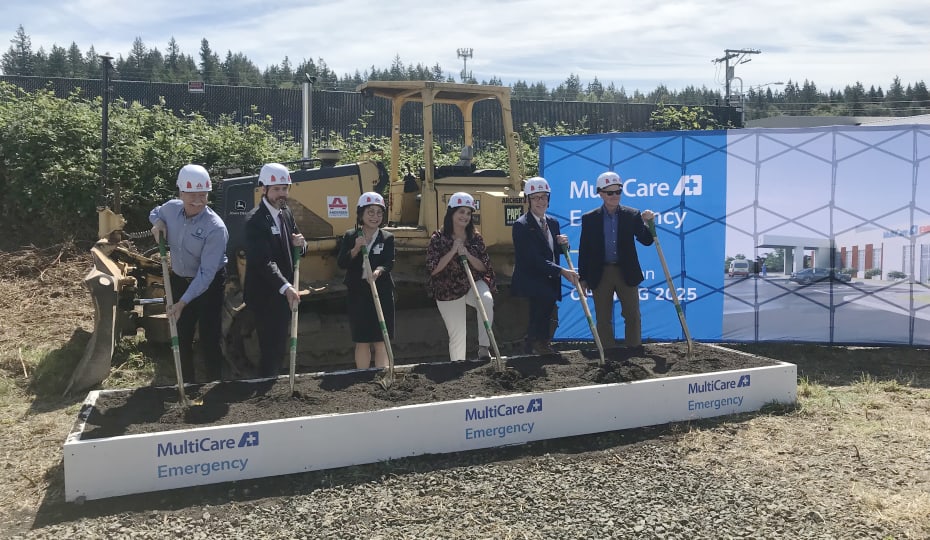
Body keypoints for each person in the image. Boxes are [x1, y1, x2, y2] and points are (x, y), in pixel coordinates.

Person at [149, 164, 229, 383]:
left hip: (209, 284)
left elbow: (205, 274)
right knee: (181, 333)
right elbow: (155, 212)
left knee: (208, 336)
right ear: (180, 193)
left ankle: (214, 383)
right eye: (192, 194)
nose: (198, 200)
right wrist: (157, 223)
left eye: (203, 195)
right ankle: (186, 383)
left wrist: (182, 303)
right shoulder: (171, 209)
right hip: (178, 279)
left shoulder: (216, 228)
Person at [578, 171, 655, 350]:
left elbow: (647, 240)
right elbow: (585, 249)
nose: (615, 196)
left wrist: (649, 223)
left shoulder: (632, 214)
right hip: (600, 272)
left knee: (632, 314)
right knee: (603, 317)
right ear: (601, 193)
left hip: (626, 271)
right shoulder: (589, 218)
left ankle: (634, 349)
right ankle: (608, 352)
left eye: (618, 192)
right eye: (610, 192)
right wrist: (583, 277)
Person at [243, 163, 308, 377]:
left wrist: (302, 244)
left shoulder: (286, 213)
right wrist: (286, 286)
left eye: (285, 188)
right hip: (265, 293)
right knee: (269, 347)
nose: (282, 194)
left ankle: (273, 385)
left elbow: (297, 243)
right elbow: (263, 261)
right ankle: (265, 389)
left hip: (283, 293)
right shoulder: (255, 220)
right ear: (264, 189)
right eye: (277, 189)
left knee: (279, 345)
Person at [511, 177, 579, 354]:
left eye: (543, 197)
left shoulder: (553, 222)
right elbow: (532, 259)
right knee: (536, 316)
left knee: (547, 313)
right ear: (528, 200)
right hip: (532, 280)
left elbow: (553, 251)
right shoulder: (522, 225)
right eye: (536, 197)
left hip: (549, 279)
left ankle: (541, 343)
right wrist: (561, 271)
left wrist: (564, 244)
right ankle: (535, 346)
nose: (540, 201)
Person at [426, 192, 496, 362]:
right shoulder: (438, 238)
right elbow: (433, 269)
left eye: (468, 212)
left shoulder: (475, 237)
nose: (465, 216)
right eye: (461, 212)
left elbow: (484, 267)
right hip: (448, 288)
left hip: (471, 283)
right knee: (458, 335)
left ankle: (484, 347)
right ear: (451, 213)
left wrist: (468, 255)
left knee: (486, 299)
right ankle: (458, 367)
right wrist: (452, 252)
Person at [336, 192, 395, 369]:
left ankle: (381, 374)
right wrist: (355, 249)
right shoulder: (350, 235)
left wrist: (378, 271)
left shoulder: (387, 237)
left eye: (379, 212)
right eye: (370, 212)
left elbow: (389, 262)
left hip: (381, 292)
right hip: (358, 293)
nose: (375, 217)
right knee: (362, 339)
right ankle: (361, 375)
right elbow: (341, 263)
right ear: (361, 213)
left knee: (380, 339)